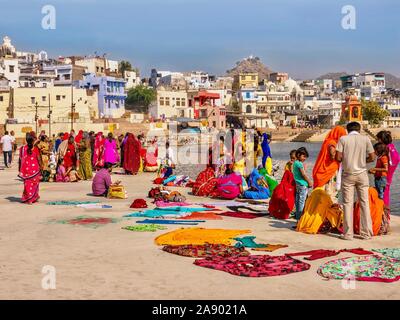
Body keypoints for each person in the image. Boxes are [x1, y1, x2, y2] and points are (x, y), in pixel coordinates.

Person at [336, 121, 375, 240]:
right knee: (364, 203)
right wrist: (363, 162)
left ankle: (348, 234)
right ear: (359, 130)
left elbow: (338, 157)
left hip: (348, 174)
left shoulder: (343, 139)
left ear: (347, 130)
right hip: (362, 174)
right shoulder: (365, 139)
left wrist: (348, 161)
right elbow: (372, 157)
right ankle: (366, 233)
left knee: (347, 204)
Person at [312, 126, 347, 200]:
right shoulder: (332, 143)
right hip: (329, 171)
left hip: (322, 170)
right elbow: (332, 155)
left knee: (321, 194)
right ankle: (329, 210)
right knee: (330, 194)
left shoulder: (327, 141)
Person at [376, 130, 399, 212]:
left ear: (381, 139)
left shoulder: (387, 149)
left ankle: (384, 217)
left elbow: (391, 163)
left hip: (385, 176)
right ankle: (385, 217)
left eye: (378, 139)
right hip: (387, 175)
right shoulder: (391, 147)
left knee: (383, 194)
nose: (377, 141)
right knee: (385, 193)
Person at [18, 134, 42, 204]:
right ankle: (33, 197)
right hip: (35, 169)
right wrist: (41, 167)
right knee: (35, 183)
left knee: (27, 184)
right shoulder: (35, 148)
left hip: (25, 170)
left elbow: (20, 159)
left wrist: (20, 169)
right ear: (33, 141)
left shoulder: (22, 149)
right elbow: (38, 159)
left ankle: (28, 198)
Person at [293, 147, 312, 221]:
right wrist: (309, 182)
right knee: (302, 202)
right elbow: (303, 175)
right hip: (303, 185)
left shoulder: (295, 163)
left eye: (305, 157)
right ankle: (301, 219)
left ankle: (298, 218)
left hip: (298, 184)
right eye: (303, 156)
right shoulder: (299, 164)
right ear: (298, 155)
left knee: (298, 201)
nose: (305, 158)